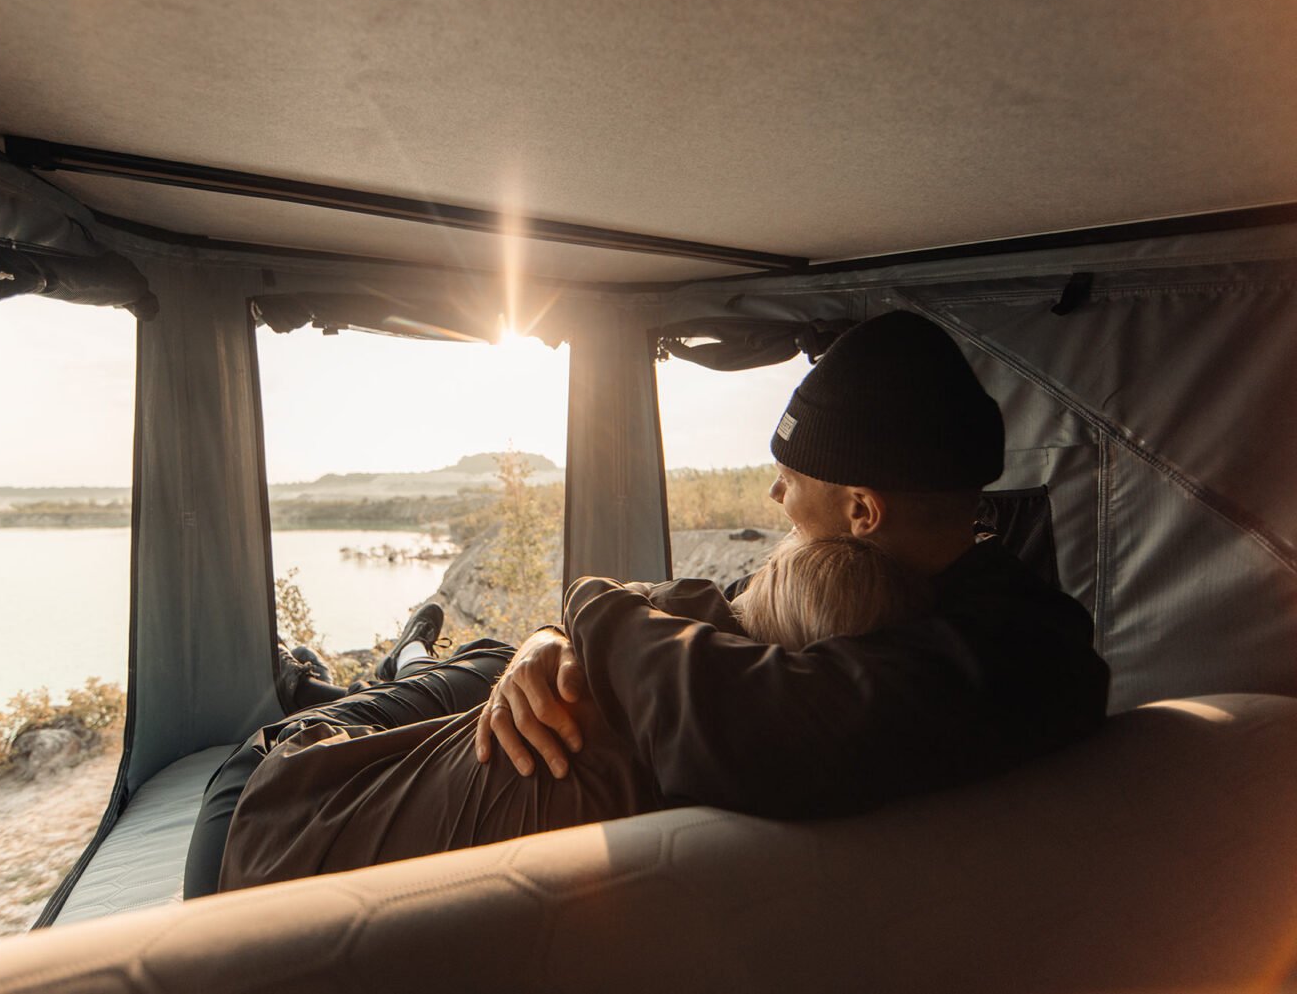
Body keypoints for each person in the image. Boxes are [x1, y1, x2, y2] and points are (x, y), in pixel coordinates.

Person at [474, 311, 1110, 821]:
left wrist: (598, 618)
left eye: (789, 479)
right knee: (473, 668)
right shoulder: (898, 580)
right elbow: (709, 606)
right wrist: (556, 634)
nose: (775, 498)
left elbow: (747, 721)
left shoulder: (1013, 654)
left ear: (862, 510)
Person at [203, 533, 934, 894]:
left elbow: (622, 607)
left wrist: (560, 634)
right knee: (494, 667)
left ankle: (392, 662)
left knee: (488, 659)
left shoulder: (618, 699)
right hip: (293, 829)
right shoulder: (760, 759)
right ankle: (401, 660)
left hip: (252, 803)